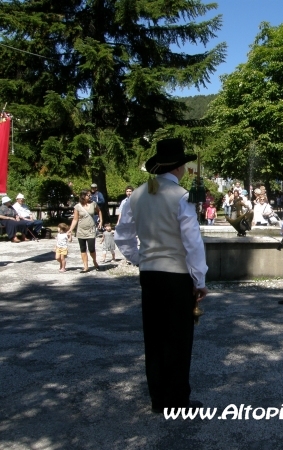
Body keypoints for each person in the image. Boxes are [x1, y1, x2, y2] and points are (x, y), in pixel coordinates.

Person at [114, 137, 208, 413]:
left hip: (150, 274)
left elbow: (123, 236)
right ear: (178, 168)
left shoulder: (137, 195)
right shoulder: (180, 197)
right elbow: (192, 242)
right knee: (178, 338)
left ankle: (158, 398)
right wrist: (199, 279)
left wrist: (140, 259)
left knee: (154, 337)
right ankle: (177, 400)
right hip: (176, 276)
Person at [68, 189, 103, 272]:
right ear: (83, 196)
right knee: (83, 249)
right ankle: (86, 266)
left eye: (90, 195)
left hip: (91, 230)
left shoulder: (93, 204)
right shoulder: (77, 206)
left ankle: (94, 261)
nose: (90, 196)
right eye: (88, 195)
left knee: (91, 248)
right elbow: (75, 219)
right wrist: (70, 230)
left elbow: (99, 211)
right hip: (81, 230)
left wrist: (101, 221)